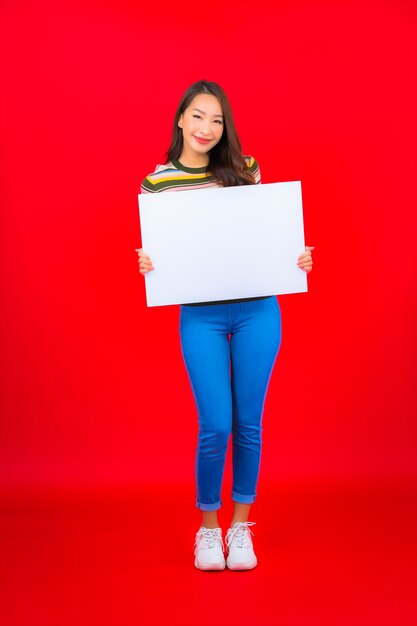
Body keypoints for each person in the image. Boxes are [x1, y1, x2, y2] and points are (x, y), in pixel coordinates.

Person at [136, 80, 314, 571]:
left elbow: (267, 236)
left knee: (248, 424)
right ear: (180, 119)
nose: (207, 128)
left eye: (217, 120)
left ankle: (241, 527)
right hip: (202, 316)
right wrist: (151, 263)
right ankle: (208, 530)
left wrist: (295, 255)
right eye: (198, 116)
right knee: (215, 425)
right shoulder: (158, 184)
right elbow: (163, 253)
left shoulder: (245, 170)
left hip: (257, 309)